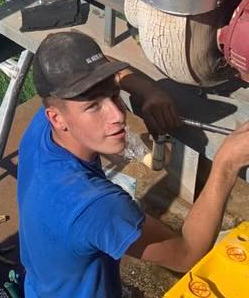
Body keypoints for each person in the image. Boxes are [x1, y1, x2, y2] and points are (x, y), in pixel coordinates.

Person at [19, 29, 249, 296]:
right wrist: (226, 165)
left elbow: (105, 68)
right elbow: (187, 253)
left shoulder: (44, 125)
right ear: (56, 118)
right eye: (93, 106)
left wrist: (149, 91)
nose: (117, 114)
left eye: (114, 94)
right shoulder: (97, 205)